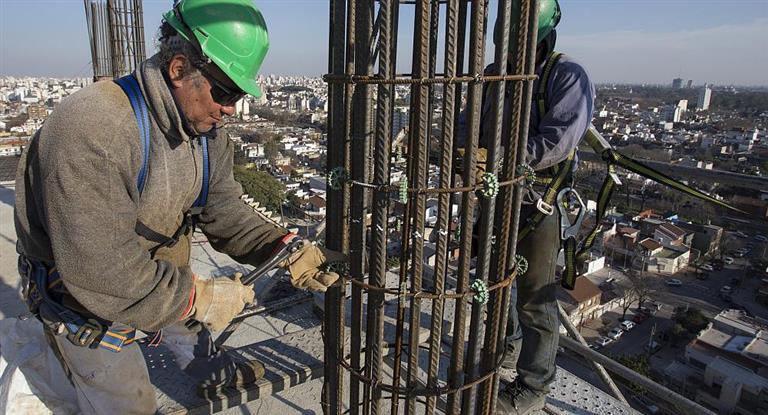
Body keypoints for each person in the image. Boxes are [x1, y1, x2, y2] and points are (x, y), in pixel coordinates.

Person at [14, 0, 342, 413]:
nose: (231, 108)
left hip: (159, 269)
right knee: (126, 400)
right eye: (224, 91)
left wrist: (283, 247)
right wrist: (196, 299)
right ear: (179, 69)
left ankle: (202, 362)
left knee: (187, 318)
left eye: (238, 93)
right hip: (82, 291)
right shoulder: (94, 128)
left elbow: (223, 210)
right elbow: (99, 269)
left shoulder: (205, 133)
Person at [462, 1, 595, 413]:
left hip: (537, 202)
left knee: (535, 298)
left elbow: (560, 141)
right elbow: (470, 122)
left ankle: (533, 386)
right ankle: (506, 346)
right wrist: (467, 152)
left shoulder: (566, 75)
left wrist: (500, 156)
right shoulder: (492, 76)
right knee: (492, 280)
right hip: (493, 195)